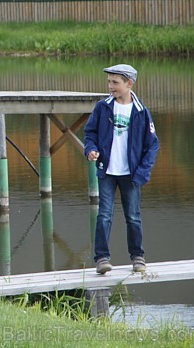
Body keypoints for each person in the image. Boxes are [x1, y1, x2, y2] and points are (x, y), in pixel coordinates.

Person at [84, 64, 159, 275]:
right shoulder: (103, 107)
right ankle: (102, 259)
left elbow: (152, 145)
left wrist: (143, 173)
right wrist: (91, 150)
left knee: (133, 217)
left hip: (131, 175)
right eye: (109, 82)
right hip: (107, 172)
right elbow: (90, 133)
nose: (110, 86)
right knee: (104, 216)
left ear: (129, 84)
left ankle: (138, 257)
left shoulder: (141, 112)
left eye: (115, 82)